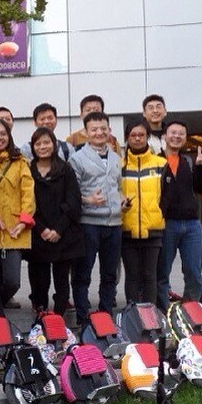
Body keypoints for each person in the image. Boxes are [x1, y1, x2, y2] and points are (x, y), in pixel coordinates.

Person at [69, 111, 125, 325]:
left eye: (103, 128)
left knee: (110, 274)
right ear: (86, 132)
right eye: (94, 129)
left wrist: (122, 199)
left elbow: (118, 186)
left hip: (114, 223)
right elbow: (71, 193)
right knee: (82, 274)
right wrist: (88, 199)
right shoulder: (77, 159)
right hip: (88, 224)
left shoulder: (116, 157)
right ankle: (83, 318)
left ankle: (105, 315)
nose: (99, 132)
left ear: (109, 130)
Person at [26, 128, 84, 317]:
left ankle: (59, 316)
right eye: (38, 144)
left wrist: (58, 229)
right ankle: (41, 313)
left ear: (54, 144)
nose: (42, 147)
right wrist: (41, 229)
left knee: (62, 280)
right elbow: (25, 203)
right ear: (33, 147)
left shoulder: (65, 169)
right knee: (39, 280)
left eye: (46, 142)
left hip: (64, 234)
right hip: (37, 232)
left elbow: (74, 202)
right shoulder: (27, 170)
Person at [0, 119, 34, 316]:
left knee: (12, 281)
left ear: (9, 137)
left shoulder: (20, 163)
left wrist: (24, 221)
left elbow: (28, 193)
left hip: (13, 229)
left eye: (3, 134)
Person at [156, 120, 202, 310]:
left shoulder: (189, 161)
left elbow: (201, 189)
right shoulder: (156, 161)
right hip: (167, 223)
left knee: (194, 271)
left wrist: (200, 167)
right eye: (173, 132)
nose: (176, 136)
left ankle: (191, 310)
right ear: (165, 136)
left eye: (181, 133)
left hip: (192, 224)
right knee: (162, 272)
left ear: (185, 138)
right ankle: (162, 311)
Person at [120, 120, 166, 305]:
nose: (137, 138)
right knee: (132, 276)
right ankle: (133, 314)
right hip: (127, 229)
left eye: (141, 135)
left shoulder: (160, 164)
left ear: (147, 137)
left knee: (150, 276)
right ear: (127, 138)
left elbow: (168, 197)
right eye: (133, 135)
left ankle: (150, 315)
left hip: (153, 229)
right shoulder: (120, 166)